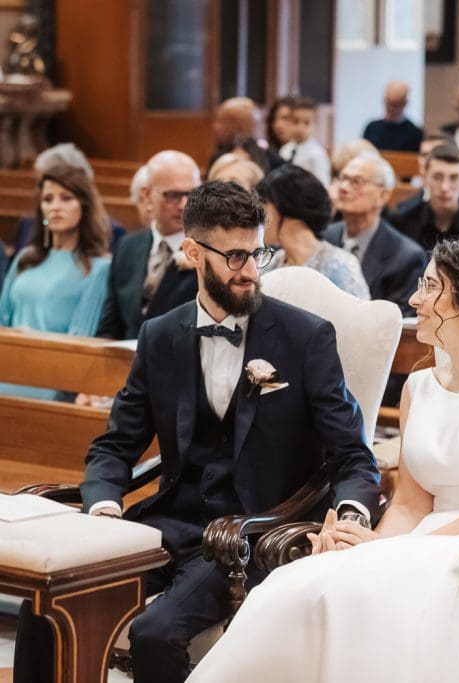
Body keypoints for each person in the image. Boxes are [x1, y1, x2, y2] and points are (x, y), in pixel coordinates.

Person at [13, 180, 381, 683]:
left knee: (155, 632)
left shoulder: (306, 337)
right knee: (47, 601)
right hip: (168, 521)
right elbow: (116, 444)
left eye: (258, 254)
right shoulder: (160, 334)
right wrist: (102, 509)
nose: (251, 271)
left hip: (250, 532)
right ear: (192, 252)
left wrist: (352, 513)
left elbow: (352, 455)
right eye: (235, 257)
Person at [189, 239, 459, 683]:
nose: (414, 299)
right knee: (300, 585)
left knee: (390, 597)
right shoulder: (419, 387)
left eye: (430, 287)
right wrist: (363, 542)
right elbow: (409, 505)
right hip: (422, 535)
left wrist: (390, 552)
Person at [0, 165, 111, 400]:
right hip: (7, 366)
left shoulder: (99, 267)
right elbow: (2, 317)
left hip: (52, 378)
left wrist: (30, 339)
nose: (55, 206)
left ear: (84, 205)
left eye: (66, 198)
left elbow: (81, 339)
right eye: (48, 199)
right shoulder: (26, 257)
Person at [96, 150, 201, 340]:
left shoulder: (206, 251)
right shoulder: (127, 247)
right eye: (173, 195)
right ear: (147, 195)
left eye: (192, 194)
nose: (184, 205)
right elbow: (111, 324)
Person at [322, 151, 426, 315]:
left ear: (383, 195)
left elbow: (398, 324)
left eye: (356, 182)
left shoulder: (407, 258)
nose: (343, 188)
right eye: (343, 179)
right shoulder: (323, 237)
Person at [255, 165, 370, 299]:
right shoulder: (271, 263)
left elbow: (359, 318)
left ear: (289, 210)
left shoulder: (339, 265)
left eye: (264, 205)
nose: (259, 215)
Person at [388, 143, 459, 251]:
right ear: (425, 178)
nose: (445, 188)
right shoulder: (403, 219)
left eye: (454, 178)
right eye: (437, 177)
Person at [280, 96, 332, 187]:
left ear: (316, 126)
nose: (300, 128)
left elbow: (323, 185)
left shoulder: (317, 154)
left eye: (306, 123)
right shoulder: (285, 150)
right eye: (296, 122)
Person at [362, 80, 424, 152]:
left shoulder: (415, 133)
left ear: (405, 103)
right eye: (388, 102)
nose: (391, 108)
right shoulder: (372, 128)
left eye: (395, 104)